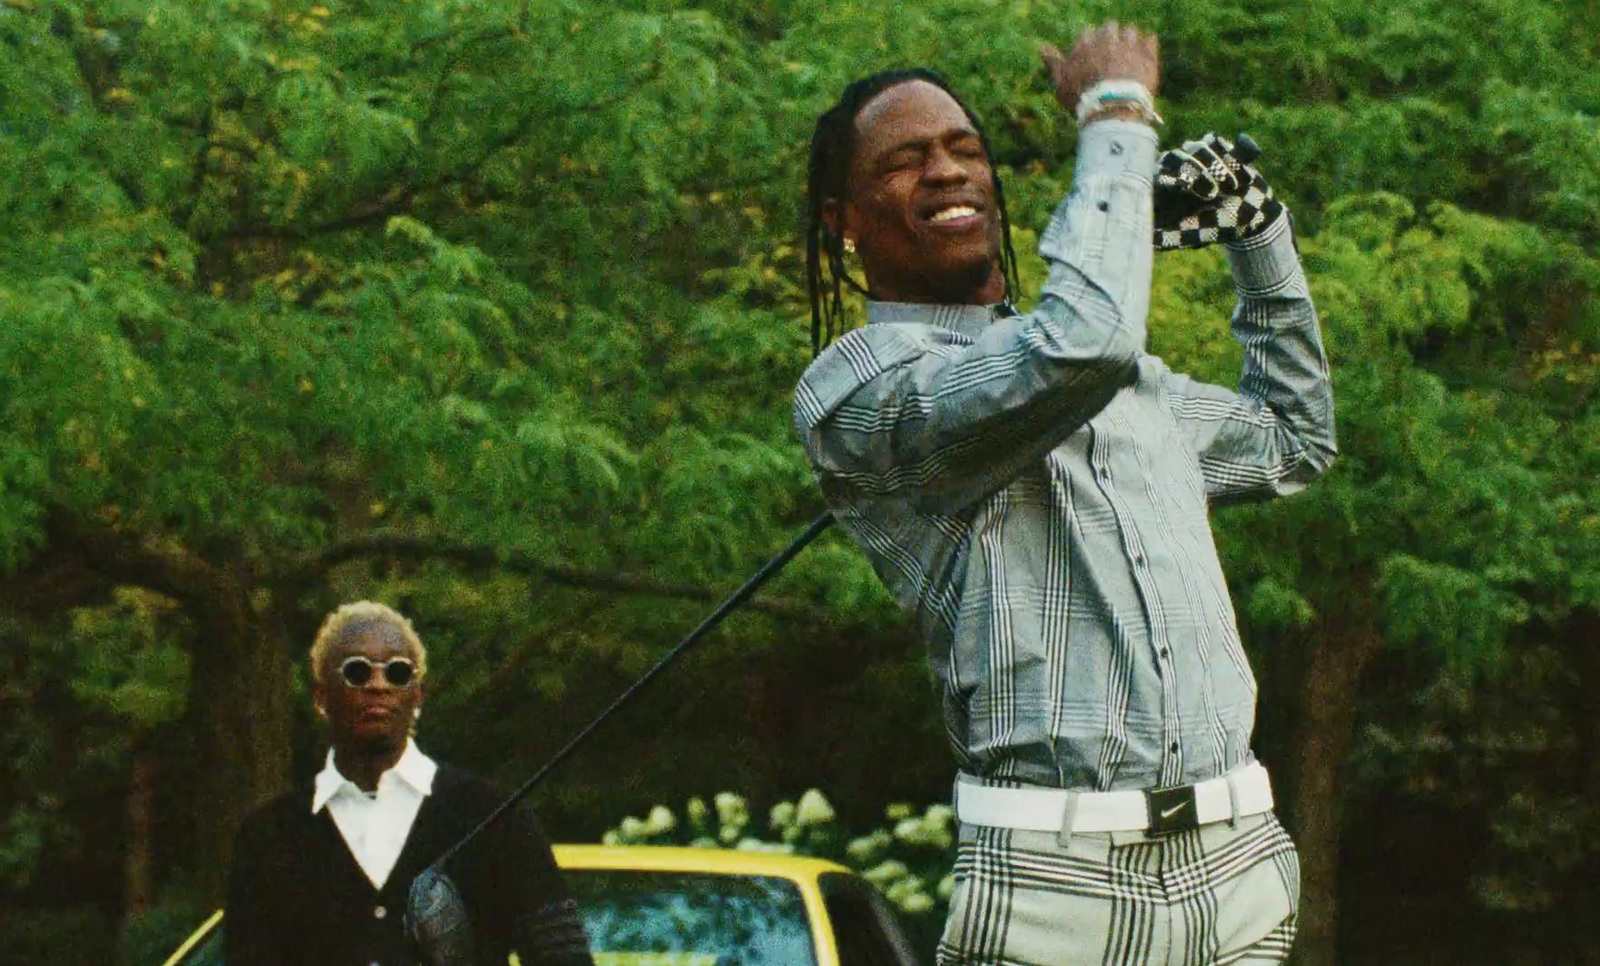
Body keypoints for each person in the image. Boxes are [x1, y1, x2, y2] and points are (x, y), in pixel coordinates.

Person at [792, 22, 1336, 966]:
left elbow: (1294, 439)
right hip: (1061, 875)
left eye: (965, 151)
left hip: (1242, 860)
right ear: (844, 216)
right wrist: (1117, 112)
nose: (948, 171)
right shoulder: (858, 387)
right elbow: (1079, 345)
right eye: (906, 161)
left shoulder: (1129, 383)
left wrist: (1259, 237)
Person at [225, 600, 593, 966]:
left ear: (417, 696)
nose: (379, 685)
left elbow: (564, 960)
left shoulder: (494, 815)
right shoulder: (268, 835)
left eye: (398, 673)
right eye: (358, 671)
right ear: (322, 697)